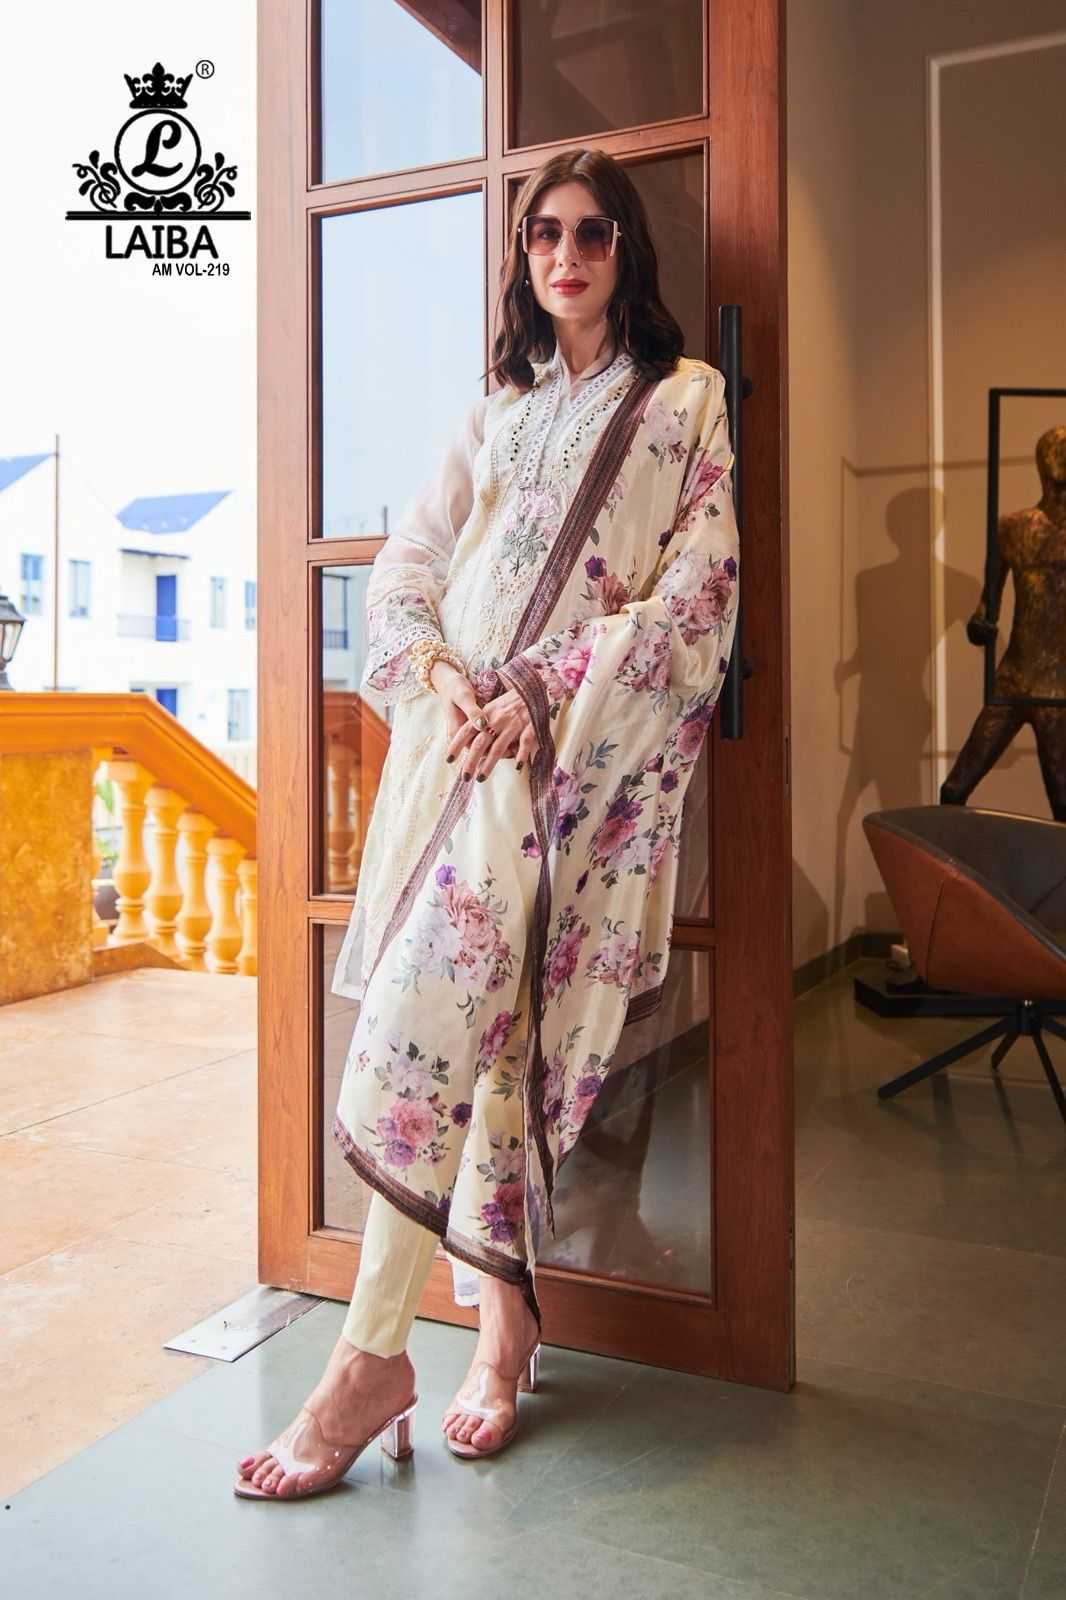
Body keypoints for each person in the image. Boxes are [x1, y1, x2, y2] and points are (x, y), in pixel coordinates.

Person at [235, 146, 740, 1500]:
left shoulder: (683, 400)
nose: (565, 255)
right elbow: (409, 563)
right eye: (543, 235)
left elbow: (699, 594)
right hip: (456, 757)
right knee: (463, 1033)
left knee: (450, 1029)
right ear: (523, 256)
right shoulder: (498, 408)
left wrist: (542, 687)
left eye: (592, 233)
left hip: (569, 764)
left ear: (627, 250)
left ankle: (375, 1358)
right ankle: (494, 1330)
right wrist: (441, 679)